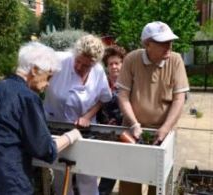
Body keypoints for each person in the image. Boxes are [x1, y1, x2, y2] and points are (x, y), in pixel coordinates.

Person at [0, 42, 82, 195]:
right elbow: (44, 150)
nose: (48, 84)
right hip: (7, 184)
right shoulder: (28, 98)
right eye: (48, 77)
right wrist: (71, 136)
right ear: (34, 70)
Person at [116, 21, 189, 195]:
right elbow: (123, 95)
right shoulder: (131, 59)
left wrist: (164, 128)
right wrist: (134, 124)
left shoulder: (176, 60)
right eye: (163, 42)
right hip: (133, 132)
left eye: (170, 41)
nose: (169, 46)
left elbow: (179, 99)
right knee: (130, 179)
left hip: (163, 132)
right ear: (147, 44)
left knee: (159, 184)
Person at [43, 34, 112, 195]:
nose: (80, 67)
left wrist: (88, 116)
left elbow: (103, 98)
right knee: (60, 172)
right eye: (78, 61)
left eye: (86, 65)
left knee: (88, 174)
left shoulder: (98, 72)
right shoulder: (59, 60)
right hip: (56, 125)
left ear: (94, 64)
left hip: (84, 129)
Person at [97, 45, 126, 195]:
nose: (114, 67)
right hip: (103, 132)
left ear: (122, 64)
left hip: (123, 132)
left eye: (117, 63)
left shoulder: (129, 83)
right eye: (110, 64)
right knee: (99, 164)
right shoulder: (101, 82)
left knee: (115, 167)